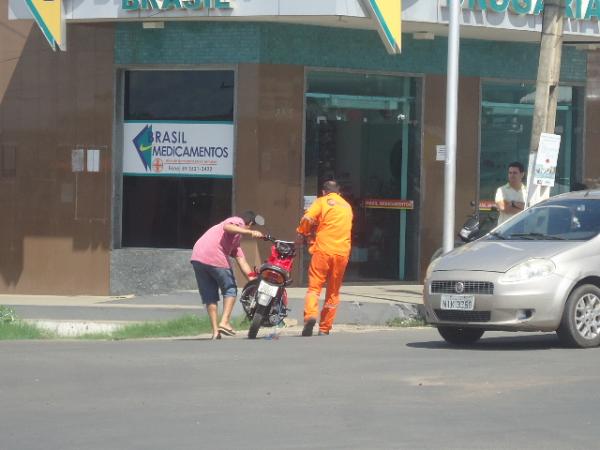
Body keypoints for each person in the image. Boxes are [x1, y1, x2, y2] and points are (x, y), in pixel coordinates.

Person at [190, 211, 264, 340]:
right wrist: (248, 232)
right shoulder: (237, 221)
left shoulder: (235, 241)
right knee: (230, 289)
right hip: (214, 256)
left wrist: (253, 280)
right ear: (250, 223)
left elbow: (242, 261)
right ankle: (224, 322)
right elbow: (227, 226)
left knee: (210, 296)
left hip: (197, 258)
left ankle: (215, 332)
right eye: (251, 227)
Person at [296, 180, 353, 336]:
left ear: (323, 192)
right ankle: (325, 327)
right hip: (342, 252)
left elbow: (307, 219)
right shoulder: (347, 206)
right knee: (333, 291)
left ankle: (310, 316)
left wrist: (303, 233)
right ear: (339, 193)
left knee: (314, 288)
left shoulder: (322, 202)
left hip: (323, 250)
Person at [495, 161, 527, 226]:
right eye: (510, 173)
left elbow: (531, 208)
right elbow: (503, 208)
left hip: (523, 229)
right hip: (504, 229)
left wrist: (512, 203)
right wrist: (524, 209)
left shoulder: (528, 191)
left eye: (515, 173)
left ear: (522, 174)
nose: (512, 175)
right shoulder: (501, 190)